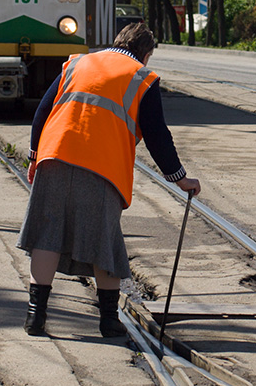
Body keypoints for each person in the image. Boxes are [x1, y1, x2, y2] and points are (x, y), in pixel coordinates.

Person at [17, 22, 201, 337]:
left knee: (46, 236)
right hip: (102, 167)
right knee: (104, 242)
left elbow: (42, 113)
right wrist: (180, 179)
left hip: (54, 156)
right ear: (146, 54)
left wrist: (35, 157)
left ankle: (35, 316)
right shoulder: (142, 77)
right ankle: (108, 321)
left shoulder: (77, 63)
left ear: (116, 42)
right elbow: (157, 136)